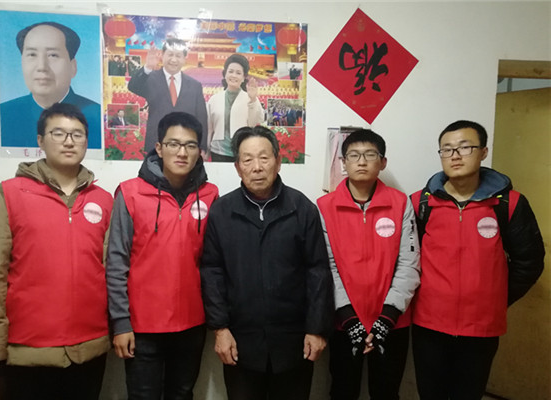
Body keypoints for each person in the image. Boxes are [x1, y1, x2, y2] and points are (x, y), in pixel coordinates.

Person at [0, 103, 113, 400]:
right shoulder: (7, 194)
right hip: (28, 350)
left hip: (90, 347)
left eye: (77, 134)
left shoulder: (103, 200)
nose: (69, 141)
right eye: (58, 133)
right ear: (40, 140)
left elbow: (111, 271)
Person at [410, 120, 545, 400]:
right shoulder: (420, 203)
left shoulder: (509, 203)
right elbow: (408, 259)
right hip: (429, 323)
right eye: (447, 149)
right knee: (430, 394)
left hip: (481, 327)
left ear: (483, 152)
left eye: (465, 147)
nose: (455, 156)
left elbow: (529, 262)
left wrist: (495, 298)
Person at [200, 125, 334, 400]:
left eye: (264, 157)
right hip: (241, 342)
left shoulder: (301, 208)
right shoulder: (222, 211)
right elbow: (212, 271)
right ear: (238, 167)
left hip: (294, 341)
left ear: (278, 161)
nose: (257, 167)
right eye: (248, 159)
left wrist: (316, 329)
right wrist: (220, 329)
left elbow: (318, 271)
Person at [106, 111, 219, 399]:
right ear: (159, 148)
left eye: (190, 145)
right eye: (173, 144)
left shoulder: (210, 195)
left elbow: (214, 262)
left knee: (182, 394)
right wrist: (120, 322)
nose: (182, 152)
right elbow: (116, 262)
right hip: (142, 326)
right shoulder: (130, 193)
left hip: (192, 324)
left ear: (199, 151)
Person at [317, 129, 421, 400]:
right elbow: (326, 267)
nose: (361, 161)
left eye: (370, 155)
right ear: (344, 162)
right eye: (354, 155)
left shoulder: (400, 204)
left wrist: (387, 317)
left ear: (382, 162)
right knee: (342, 392)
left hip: (393, 322)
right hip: (343, 323)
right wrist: (348, 318)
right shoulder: (324, 207)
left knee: (386, 393)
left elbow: (409, 264)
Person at [0, 22, 101, 148]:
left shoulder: (97, 116)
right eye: (32, 55)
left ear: (73, 67)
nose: (42, 67)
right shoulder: (3, 114)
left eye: (53, 55)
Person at [128, 38, 208, 153]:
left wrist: (202, 147)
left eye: (178, 56)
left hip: (185, 147)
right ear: (162, 55)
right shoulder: (150, 78)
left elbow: (201, 118)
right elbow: (133, 86)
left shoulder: (195, 85)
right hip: (156, 144)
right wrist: (147, 68)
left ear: (184, 58)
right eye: (170, 54)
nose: (173, 60)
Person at [206, 54, 264, 162]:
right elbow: (210, 129)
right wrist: (206, 151)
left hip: (242, 151)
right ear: (225, 74)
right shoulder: (214, 99)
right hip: (218, 152)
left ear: (244, 77)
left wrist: (252, 100)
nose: (234, 75)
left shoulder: (250, 98)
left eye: (238, 73)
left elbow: (253, 124)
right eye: (231, 71)